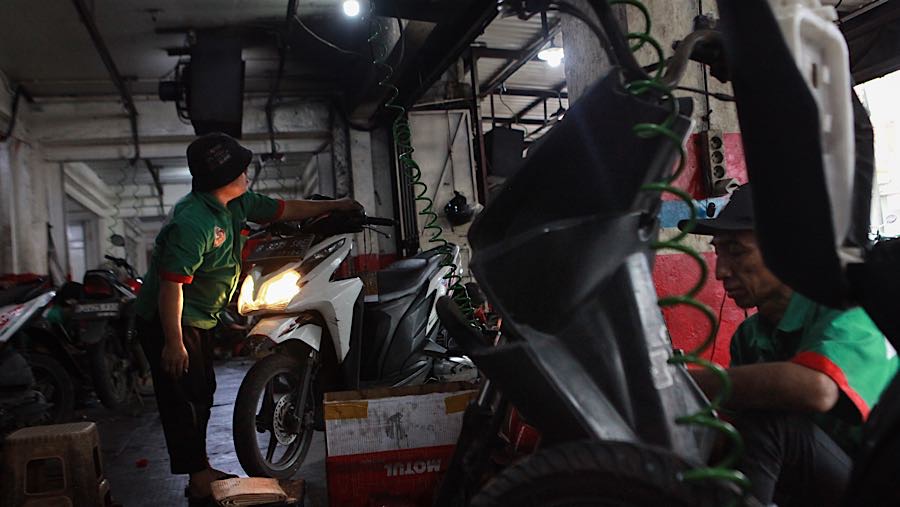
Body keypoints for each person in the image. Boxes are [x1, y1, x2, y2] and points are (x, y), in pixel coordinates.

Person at [134, 132, 362, 505]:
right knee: (183, 399)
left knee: (202, 391)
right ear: (222, 179)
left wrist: (336, 205)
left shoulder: (237, 203)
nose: (248, 175)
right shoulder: (193, 223)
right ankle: (197, 478)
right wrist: (173, 342)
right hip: (170, 320)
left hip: (200, 317)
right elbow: (169, 288)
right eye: (242, 169)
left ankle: (200, 468)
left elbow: (284, 209)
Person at [680, 184, 898, 507]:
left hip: (877, 484)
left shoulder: (846, 309)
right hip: (819, 484)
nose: (721, 271)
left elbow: (818, 390)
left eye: (736, 251)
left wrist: (682, 382)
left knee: (771, 424)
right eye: (718, 252)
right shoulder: (749, 336)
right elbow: (736, 437)